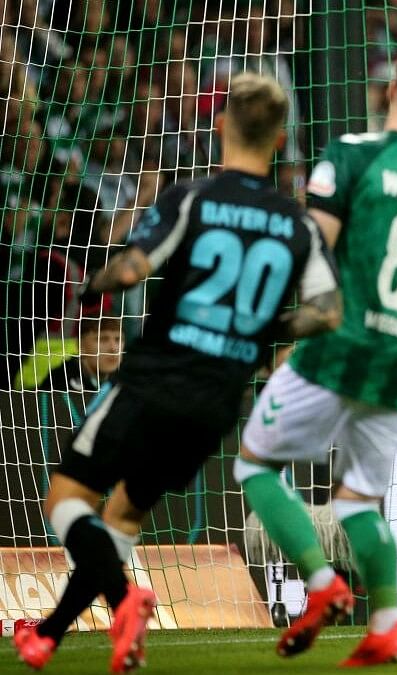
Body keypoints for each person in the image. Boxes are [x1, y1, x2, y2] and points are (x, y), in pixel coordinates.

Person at [13, 71, 342, 671]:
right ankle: (51, 634)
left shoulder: (192, 197)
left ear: (220, 126)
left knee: (65, 497)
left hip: (154, 379)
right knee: (122, 517)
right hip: (216, 401)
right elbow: (328, 311)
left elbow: (134, 268)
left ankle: (123, 599)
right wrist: (267, 333)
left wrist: (92, 284)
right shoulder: (297, 224)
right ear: (278, 140)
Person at [235, 45, 397, 666]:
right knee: (357, 501)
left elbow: (316, 249)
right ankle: (392, 623)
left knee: (254, 466)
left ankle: (322, 584)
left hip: (339, 345)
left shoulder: (353, 153)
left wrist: (290, 330)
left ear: (390, 89)